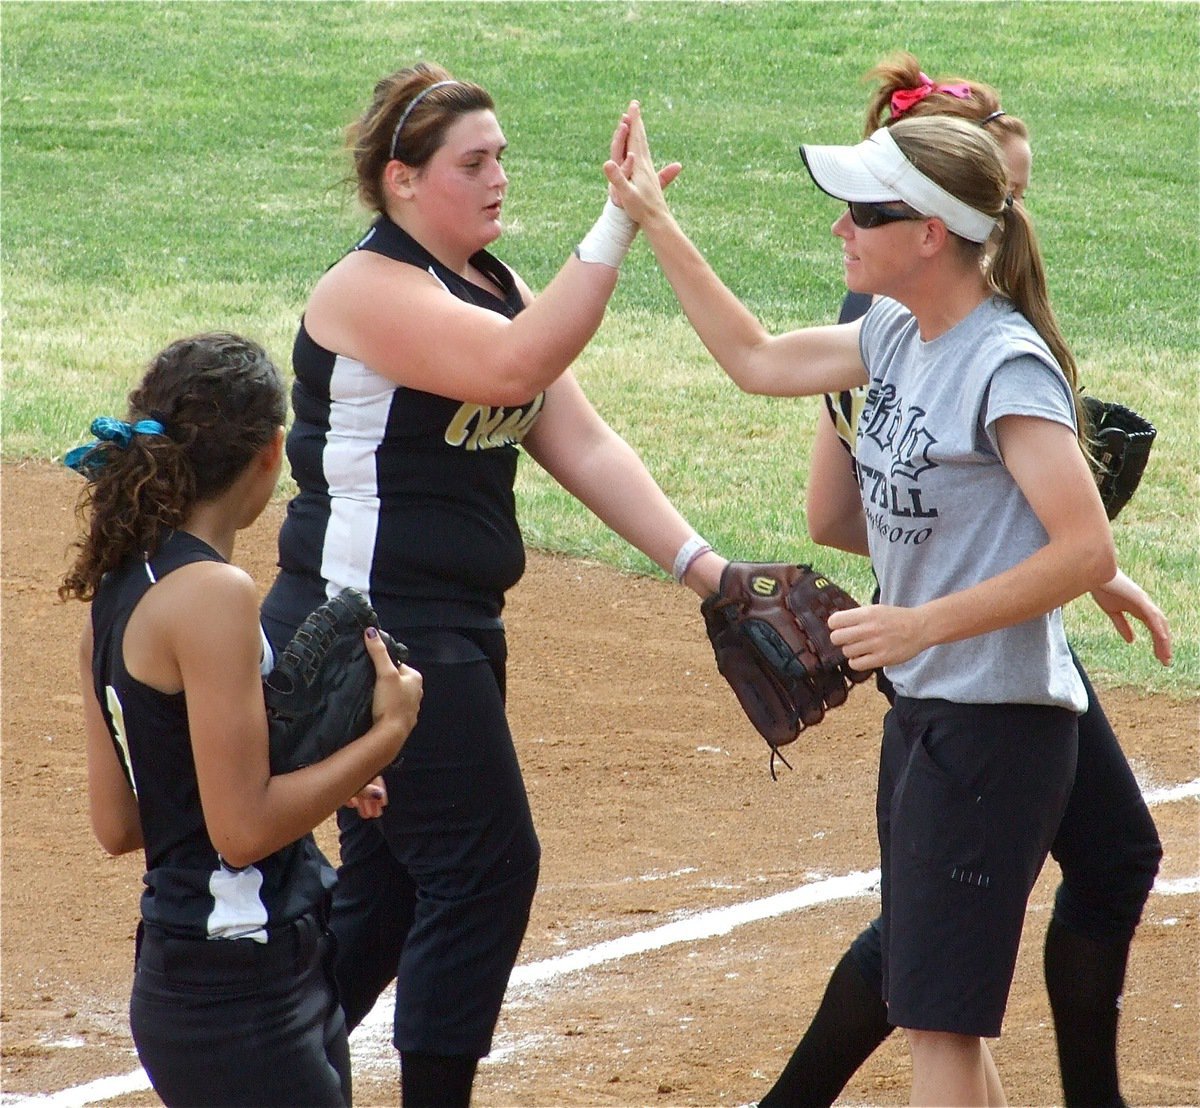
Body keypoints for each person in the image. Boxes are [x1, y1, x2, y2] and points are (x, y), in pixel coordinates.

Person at [609, 103, 1119, 1104]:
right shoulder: (895, 330)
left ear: (931, 233)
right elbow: (756, 360)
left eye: (863, 211)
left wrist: (917, 623)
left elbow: (1084, 543)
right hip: (935, 715)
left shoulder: (1002, 362)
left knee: (936, 1022)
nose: (839, 225)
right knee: (945, 1015)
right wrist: (654, 224)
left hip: (992, 730)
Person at [258, 64, 726, 1106]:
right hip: (368, 630)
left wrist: (709, 571)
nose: (497, 177)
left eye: (502, 156)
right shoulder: (368, 289)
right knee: (483, 867)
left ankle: (262, 1068)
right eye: (472, 162)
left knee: (392, 889)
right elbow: (518, 368)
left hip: (446, 625)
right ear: (402, 181)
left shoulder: (491, 282)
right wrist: (616, 225)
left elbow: (583, 441)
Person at [762, 58, 1167, 1108]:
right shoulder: (902, 319)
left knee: (1108, 859)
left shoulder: (967, 315)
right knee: (933, 952)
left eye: (1018, 192)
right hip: (965, 656)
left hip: (1001, 640)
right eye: (1003, 190)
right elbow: (835, 513)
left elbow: (1042, 521)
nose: (1013, 214)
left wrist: (1090, 571)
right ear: (945, 210)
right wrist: (961, 586)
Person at [60, 332, 424, 1107]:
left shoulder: (120, 593)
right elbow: (241, 831)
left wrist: (311, 774)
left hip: (205, 976)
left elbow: (122, 821)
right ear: (272, 452)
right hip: (242, 998)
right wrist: (384, 735)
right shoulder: (215, 594)